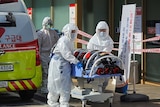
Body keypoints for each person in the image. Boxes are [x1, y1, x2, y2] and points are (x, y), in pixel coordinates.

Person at [47, 23, 83, 107]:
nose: (74, 33)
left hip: (64, 64)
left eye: (75, 31)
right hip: (58, 64)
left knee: (65, 84)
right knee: (56, 83)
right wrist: (76, 61)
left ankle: (63, 102)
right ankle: (53, 101)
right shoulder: (64, 40)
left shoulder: (69, 41)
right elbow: (66, 54)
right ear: (67, 32)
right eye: (72, 31)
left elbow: (70, 53)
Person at [87, 21, 114, 92]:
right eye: (100, 30)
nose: (102, 32)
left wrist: (104, 54)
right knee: (96, 77)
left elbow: (108, 49)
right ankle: (96, 91)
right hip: (94, 62)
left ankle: (102, 91)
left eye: (104, 30)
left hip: (106, 62)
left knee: (106, 78)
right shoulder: (93, 41)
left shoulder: (109, 41)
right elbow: (90, 50)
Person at [37, 17, 59, 94]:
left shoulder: (53, 33)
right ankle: (44, 87)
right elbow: (38, 45)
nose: (48, 25)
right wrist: (38, 55)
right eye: (47, 24)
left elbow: (57, 43)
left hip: (52, 54)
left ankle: (52, 86)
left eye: (50, 24)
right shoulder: (40, 33)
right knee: (45, 71)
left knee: (53, 71)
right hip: (43, 54)